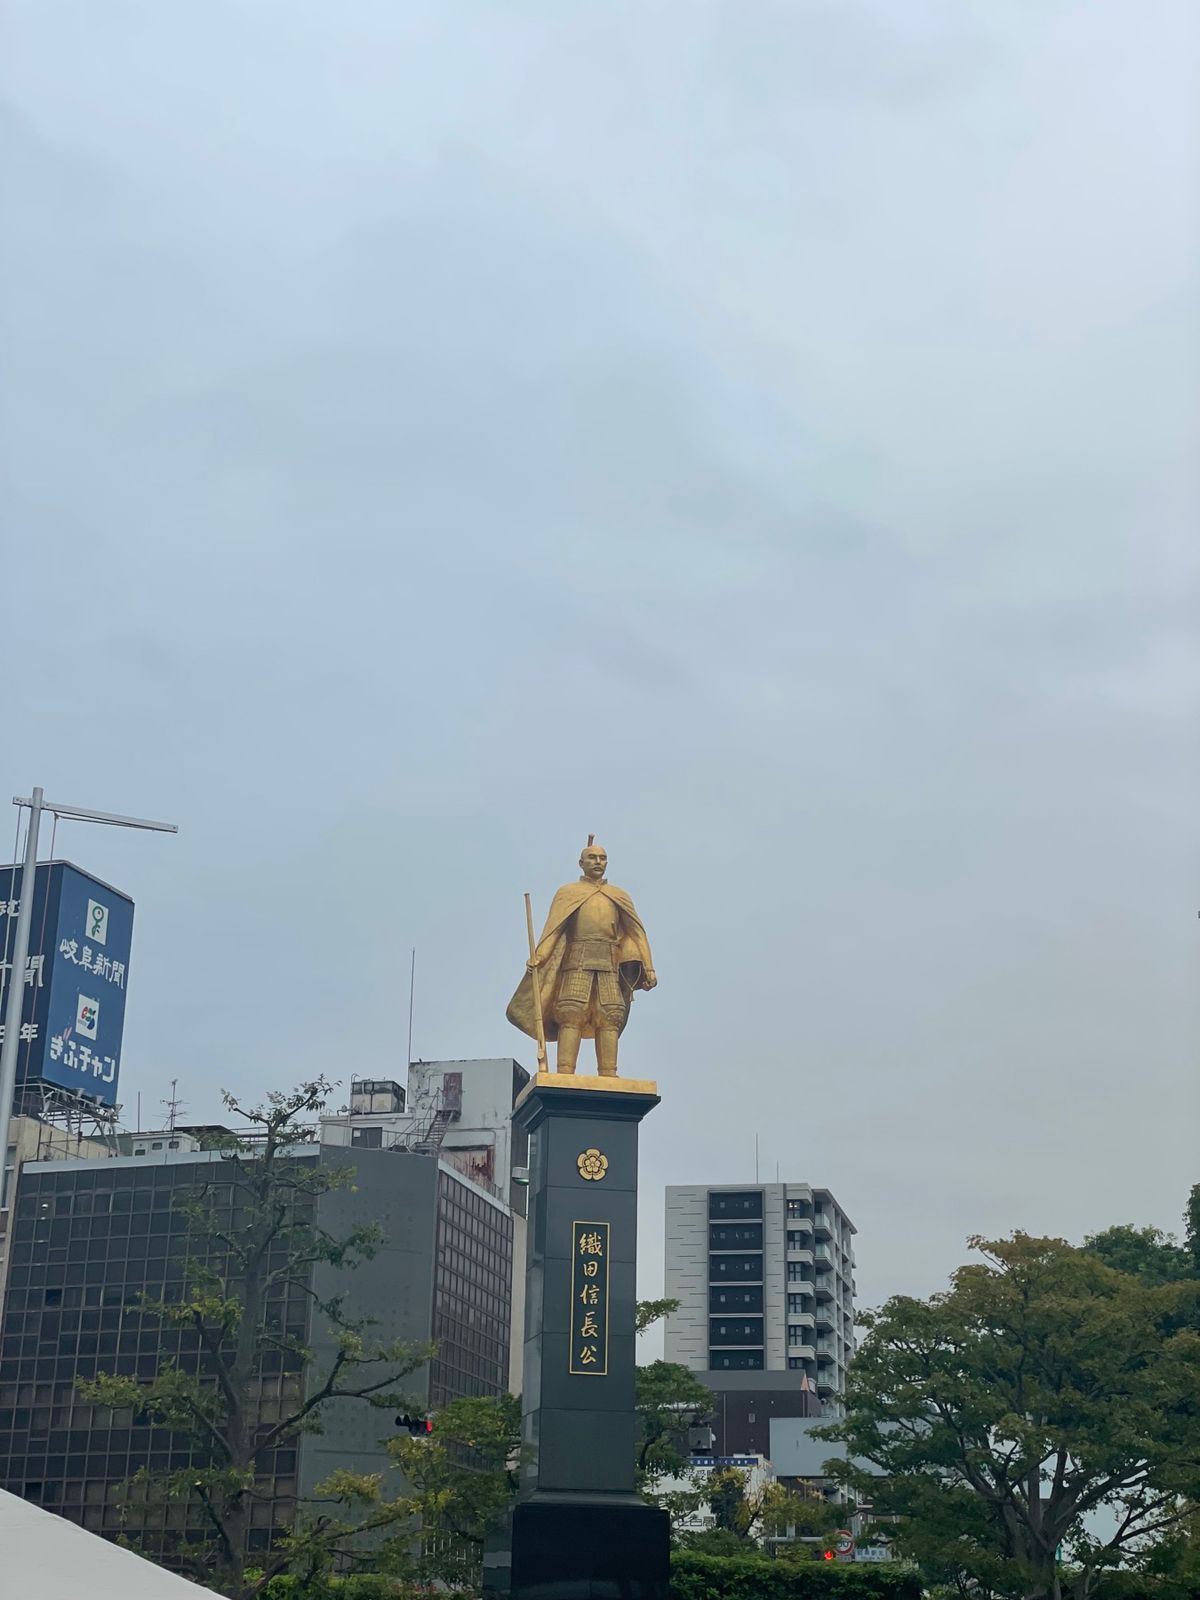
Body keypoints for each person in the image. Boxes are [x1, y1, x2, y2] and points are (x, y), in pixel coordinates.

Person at [507, 841, 657, 1076]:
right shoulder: (568, 893)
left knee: (610, 1016)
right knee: (571, 1013)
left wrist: (649, 967)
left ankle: (609, 1074)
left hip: (608, 963)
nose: (598, 862)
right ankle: (565, 1073)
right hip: (577, 962)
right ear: (581, 863)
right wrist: (540, 955)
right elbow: (555, 929)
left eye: (603, 858)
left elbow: (637, 932)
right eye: (593, 857)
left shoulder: (618, 895)